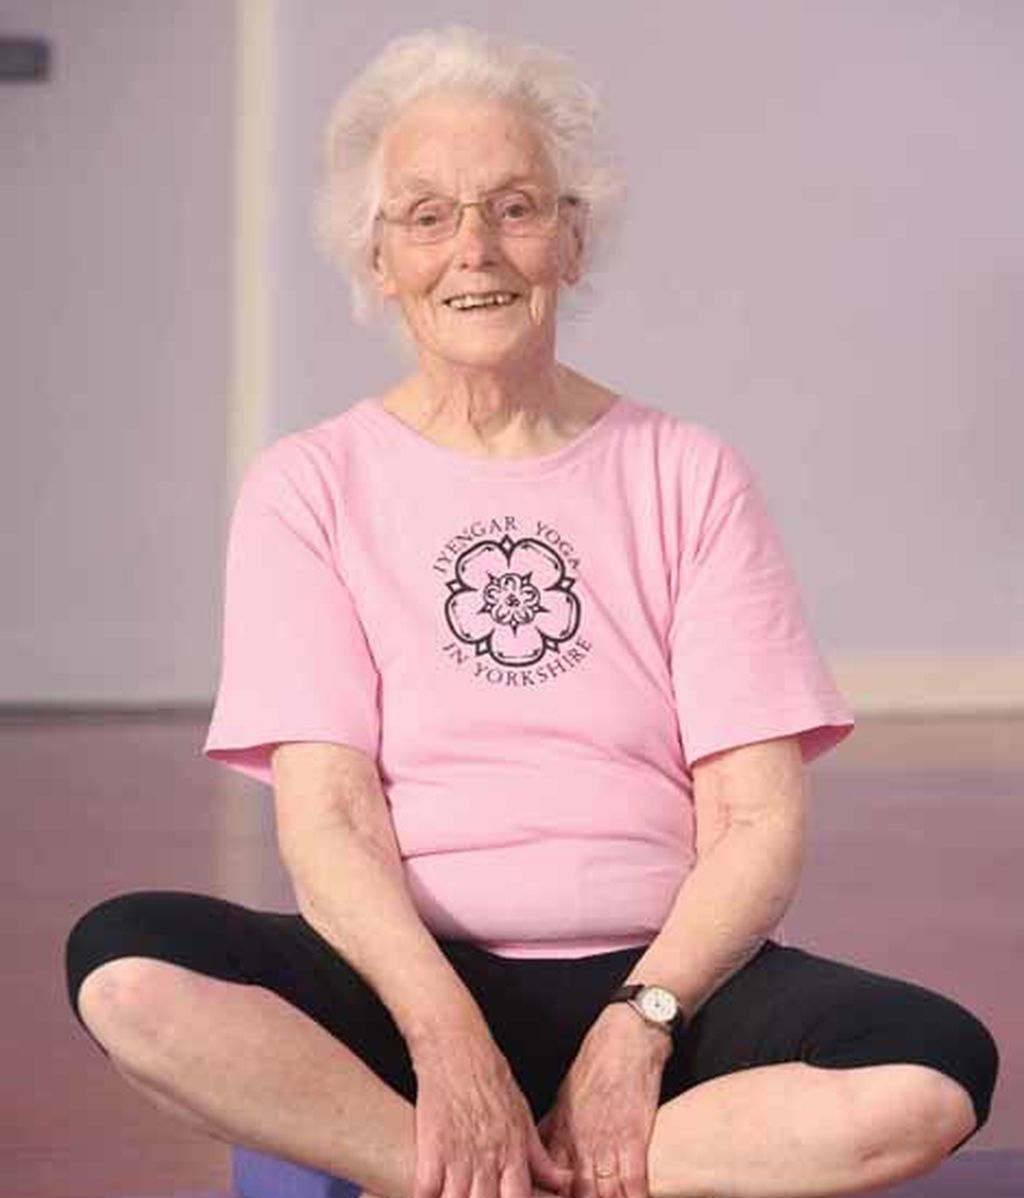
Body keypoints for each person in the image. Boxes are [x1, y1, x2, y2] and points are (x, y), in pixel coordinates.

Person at [64, 25, 998, 1198]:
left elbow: (754, 817)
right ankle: (507, 1164)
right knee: (127, 971)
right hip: (401, 980)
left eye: (513, 207)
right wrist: (444, 1035)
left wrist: (639, 1021)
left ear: (571, 235)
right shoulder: (309, 485)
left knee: (930, 1073)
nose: (474, 249)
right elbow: (333, 821)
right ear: (377, 258)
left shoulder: (687, 472)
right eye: (427, 215)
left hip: (660, 981)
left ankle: (484, 1175)